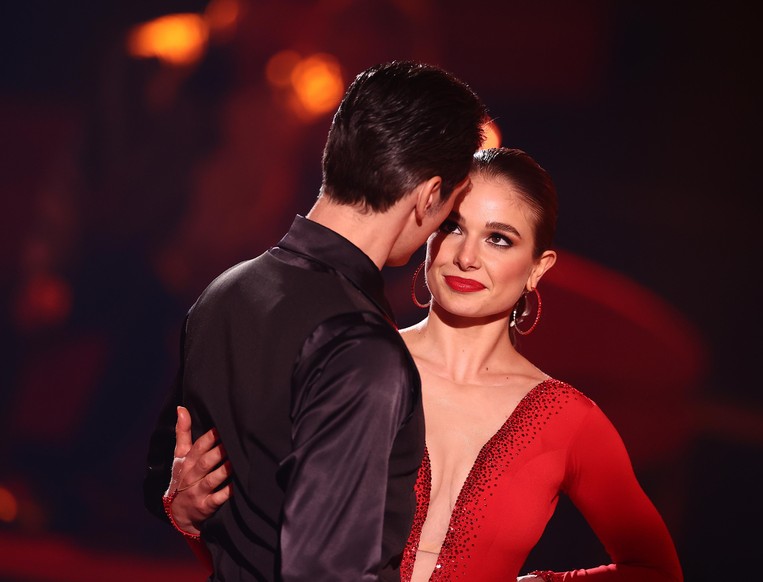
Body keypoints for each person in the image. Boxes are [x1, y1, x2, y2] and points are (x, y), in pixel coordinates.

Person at [169, 148, 683, 581]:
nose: (467, 257)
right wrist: (191, 520)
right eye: (454, 227)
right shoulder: (347, 367)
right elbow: (257, 550)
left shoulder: (569, 420)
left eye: (499, 238)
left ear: (537, 268)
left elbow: (656, 570)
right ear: (429, 230)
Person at [142, 60, 487, 581]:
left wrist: (184, 516)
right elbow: (325, 570)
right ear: (429, 195)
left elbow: (165, 482)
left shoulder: (224, 292)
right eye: (452, 212)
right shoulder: (360, 349)